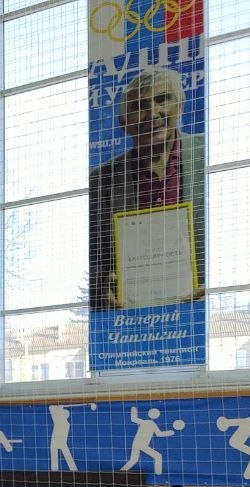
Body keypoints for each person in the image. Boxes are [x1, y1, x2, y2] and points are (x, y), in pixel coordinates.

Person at [89, 67, 205, 311]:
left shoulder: (211, 155)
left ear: (180, 107)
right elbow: (96, 261)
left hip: (201, 315)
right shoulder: (100, 181)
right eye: (139, 106)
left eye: (162, 99)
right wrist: (102, 287)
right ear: (123, 124)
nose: (152, 114)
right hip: (136, 320)